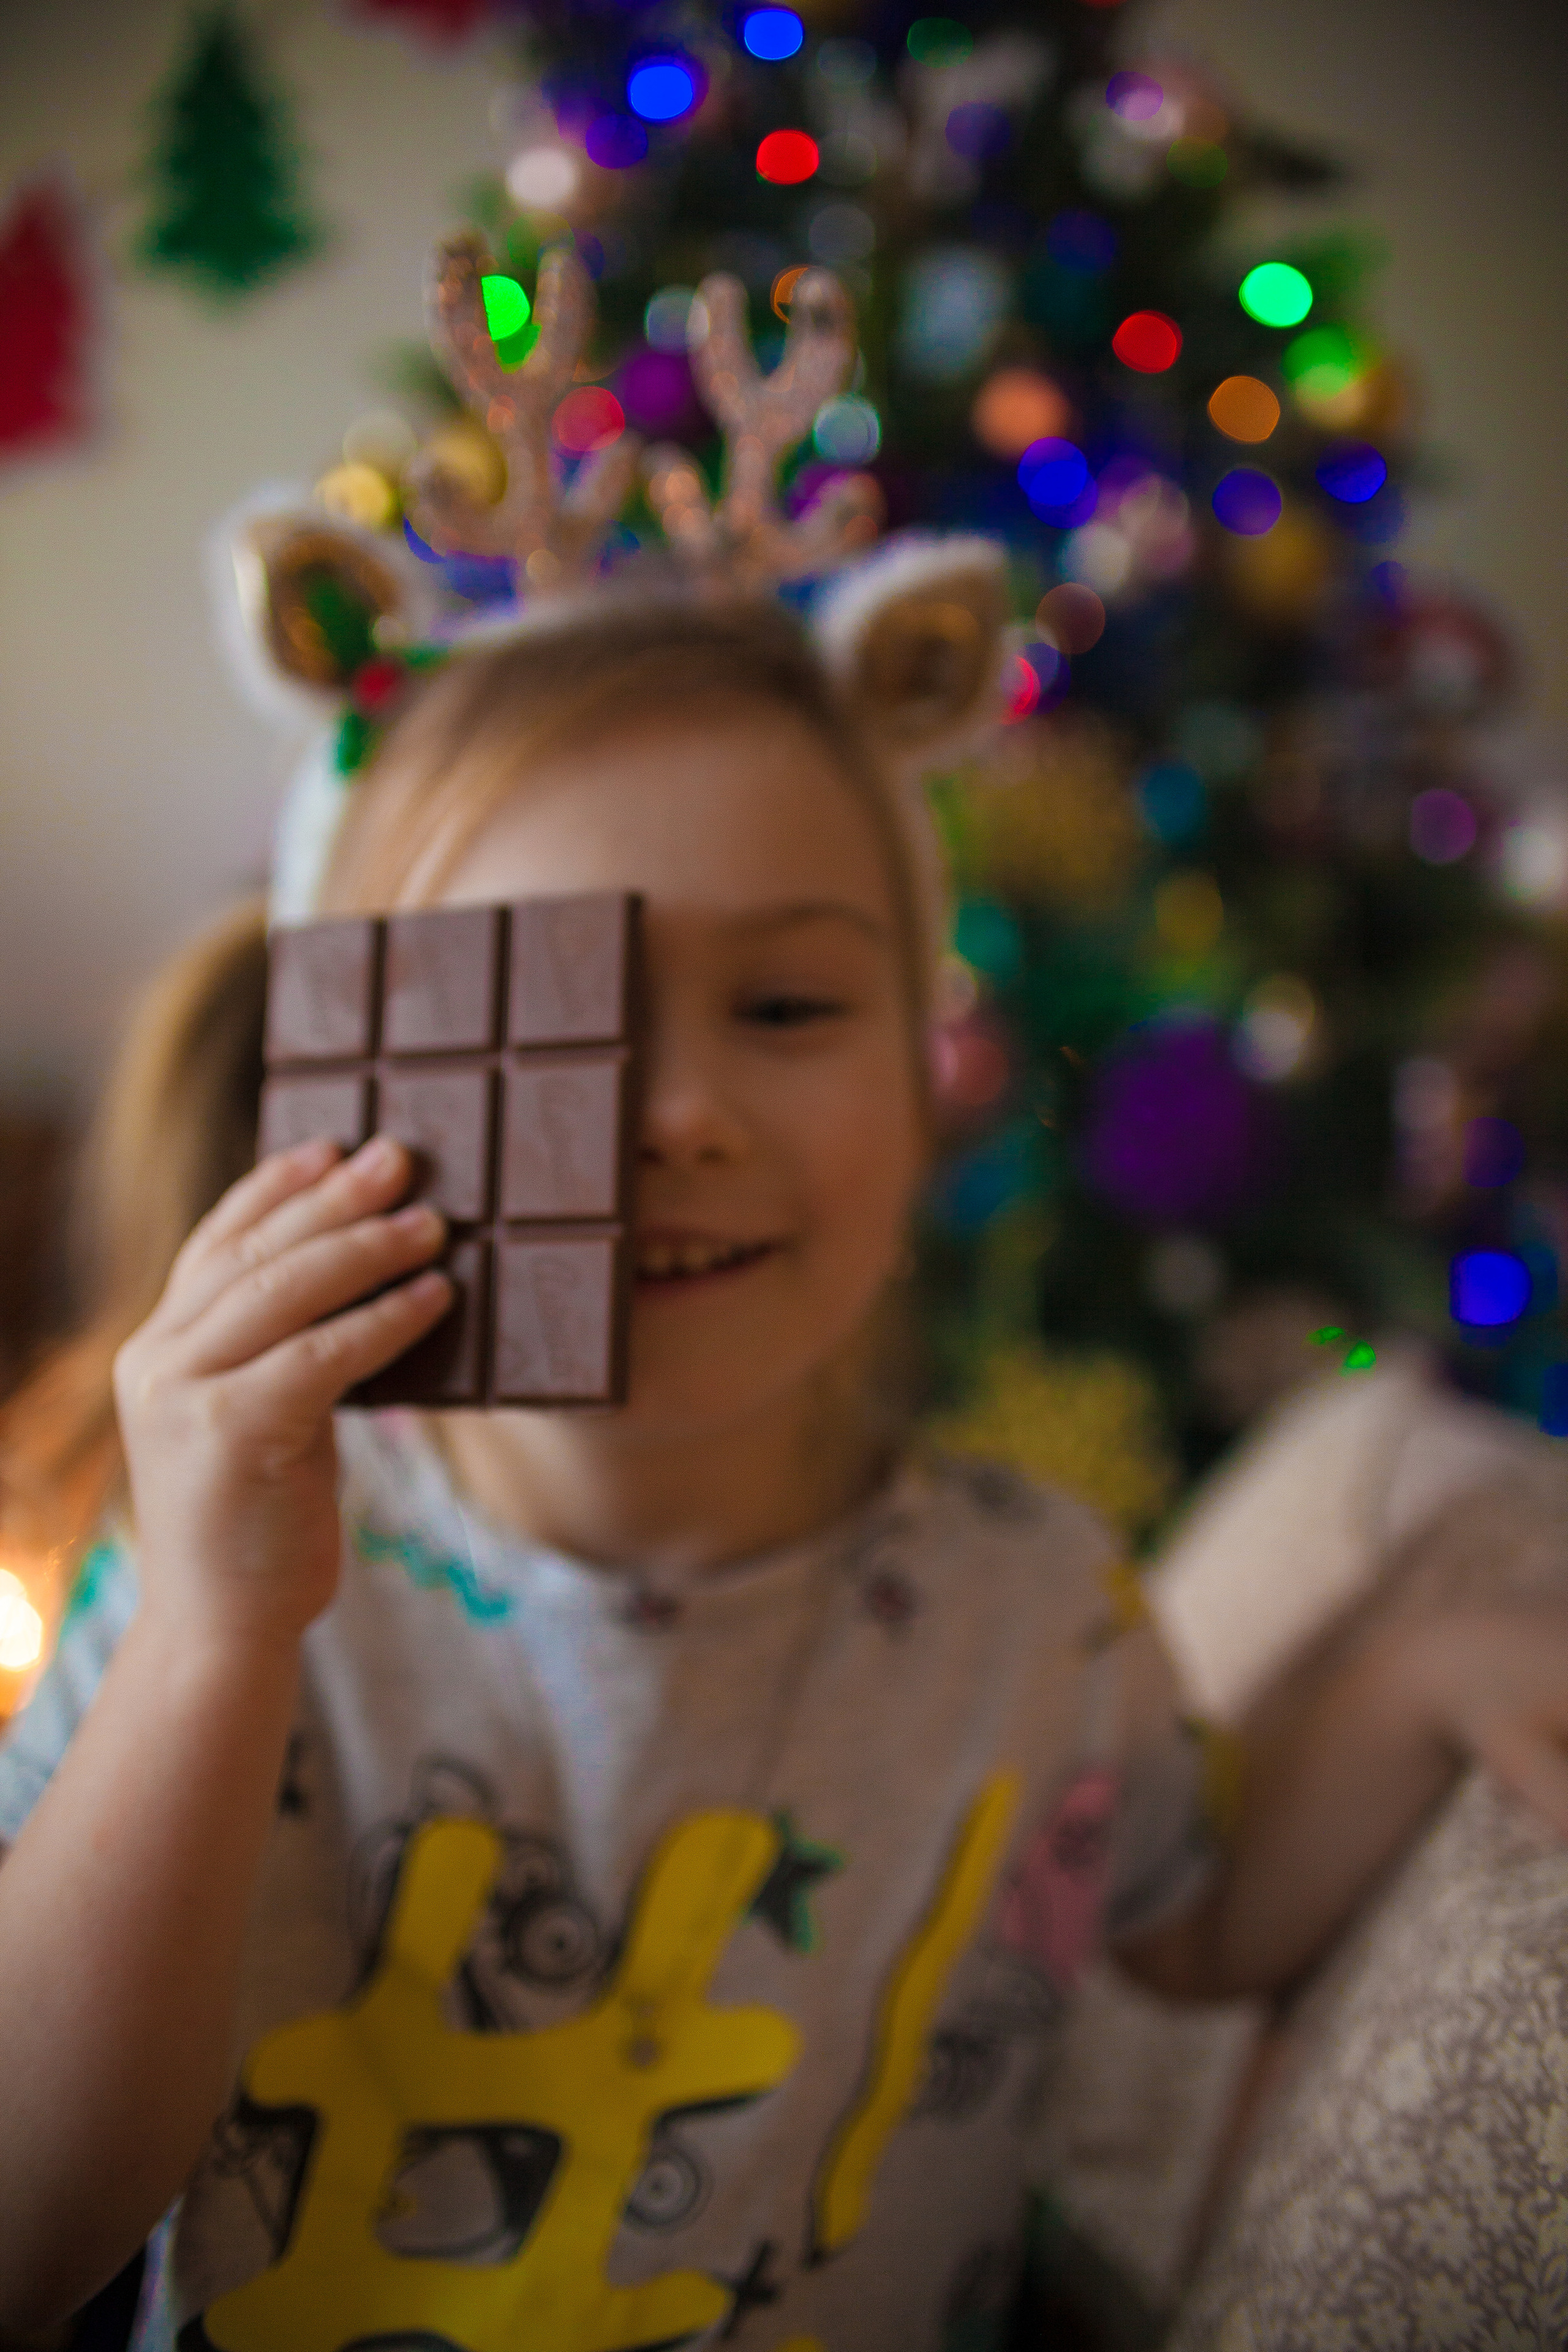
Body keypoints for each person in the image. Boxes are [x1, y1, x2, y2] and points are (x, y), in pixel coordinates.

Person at [6, 246, 1568, 2349]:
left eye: (790, 1000)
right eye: (553, 1012)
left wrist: (1411, 1675)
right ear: (367, 1067)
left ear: (932, 1068)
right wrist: (204, 1639)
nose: (677, 1113)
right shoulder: (231, 1594)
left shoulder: (1030, 1606)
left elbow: (1191, 1921)